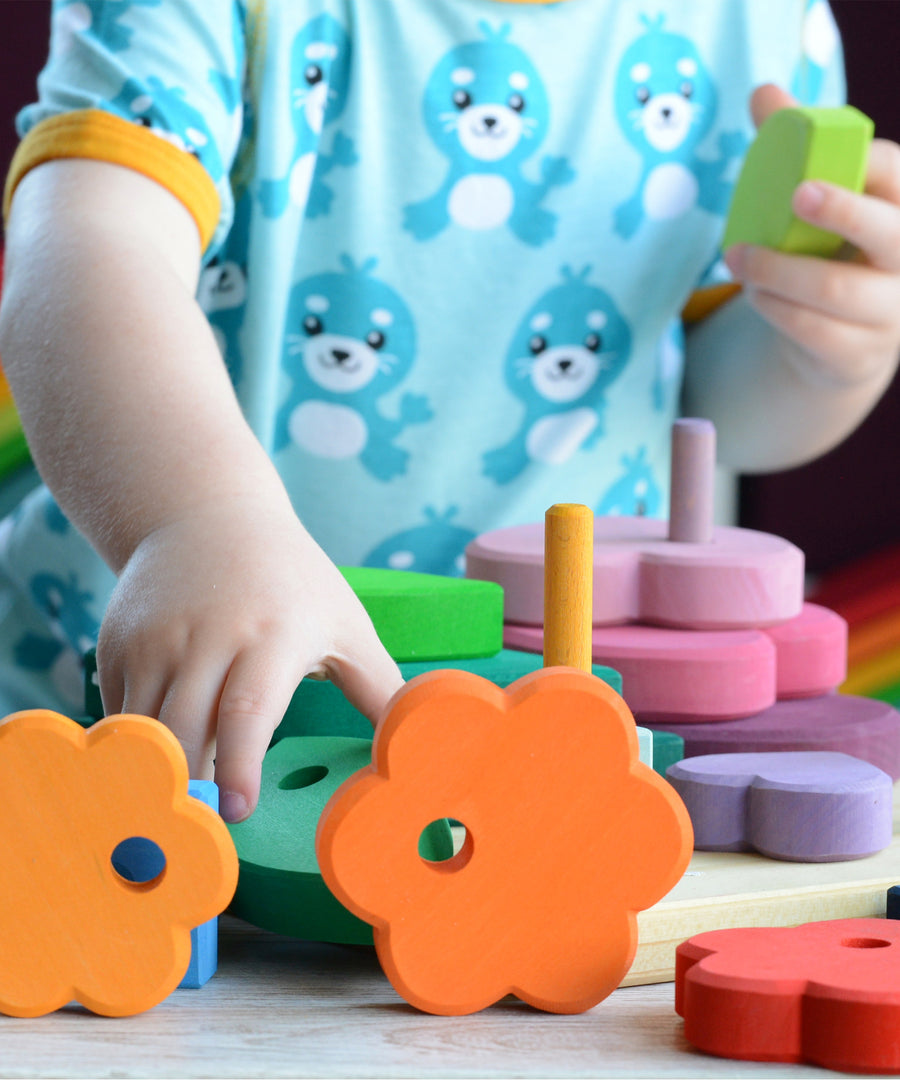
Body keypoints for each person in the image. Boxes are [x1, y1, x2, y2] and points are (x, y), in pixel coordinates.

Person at [0, 0, 898, 823]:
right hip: (132, 743)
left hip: (536, 764)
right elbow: (83, 245)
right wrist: (195, 519)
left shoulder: (762, 23)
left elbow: (712, 411)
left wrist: (826, 353)